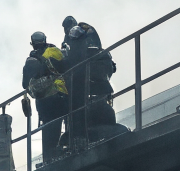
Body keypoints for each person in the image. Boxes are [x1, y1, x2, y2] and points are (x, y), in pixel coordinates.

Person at [61, 16, 122, 145]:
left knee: (95, 99)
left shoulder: (86, 29)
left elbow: (95, 48)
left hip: (92, 69)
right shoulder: (67, 39)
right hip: (79, 76)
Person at [22, 31, 68, 162]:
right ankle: (68, 146)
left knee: (47, 128)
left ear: (32, 44)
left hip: (42, 100)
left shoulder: (30, 61)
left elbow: (24, 84)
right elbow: (66, 66)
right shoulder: (54, 51)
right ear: (45, 40)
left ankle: (48, 158)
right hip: (59, 94)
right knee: (63, 122)